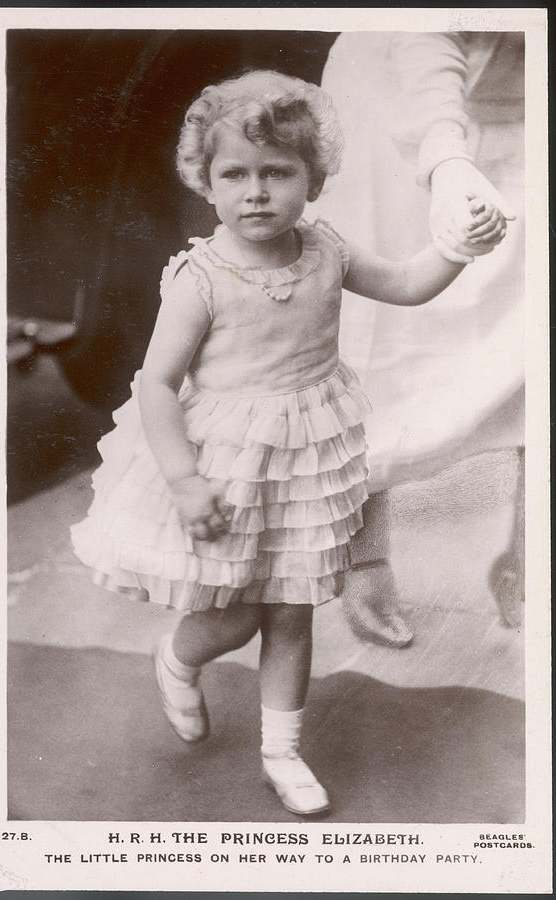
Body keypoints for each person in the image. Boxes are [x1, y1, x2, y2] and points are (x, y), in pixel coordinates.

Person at [71, 70, 506, 816]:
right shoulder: (199, 279)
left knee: (293, 608)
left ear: (314, 179)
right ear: (204, 183)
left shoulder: (327, 249)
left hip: (309, 454)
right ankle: (178, 655)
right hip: (225, 463)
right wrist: (182, 478)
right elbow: (154, 385)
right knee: (238, 612)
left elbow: (405, 283)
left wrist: (456, 246)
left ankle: (283, 751)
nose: (257, 192)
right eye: (234, 174)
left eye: (278, 172)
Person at [314, 31, 524, 634]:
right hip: (397, 92)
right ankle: (366, 558)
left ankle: (531, 565)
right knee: (371, 334)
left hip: (527, 106)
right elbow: (428, 32)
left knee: (539, 341)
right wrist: (447, 160)